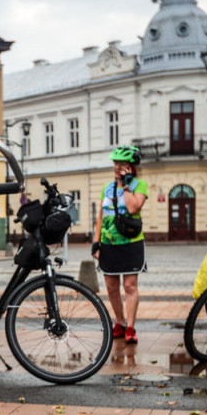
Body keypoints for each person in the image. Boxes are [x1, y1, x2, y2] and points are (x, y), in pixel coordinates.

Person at [93, 145, 148, 345]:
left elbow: (133, 208)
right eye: (116, 163)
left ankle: (131, 328)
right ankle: (120, 323)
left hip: (131, 243)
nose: (117, 167)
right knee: (111, 287)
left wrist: (125, 186)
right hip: (108, 244)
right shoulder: (106, 188)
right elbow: (101, 216)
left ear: (132, 167)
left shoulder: (139, 185)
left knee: (129, 286)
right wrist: (96, 241)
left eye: (122, 164)